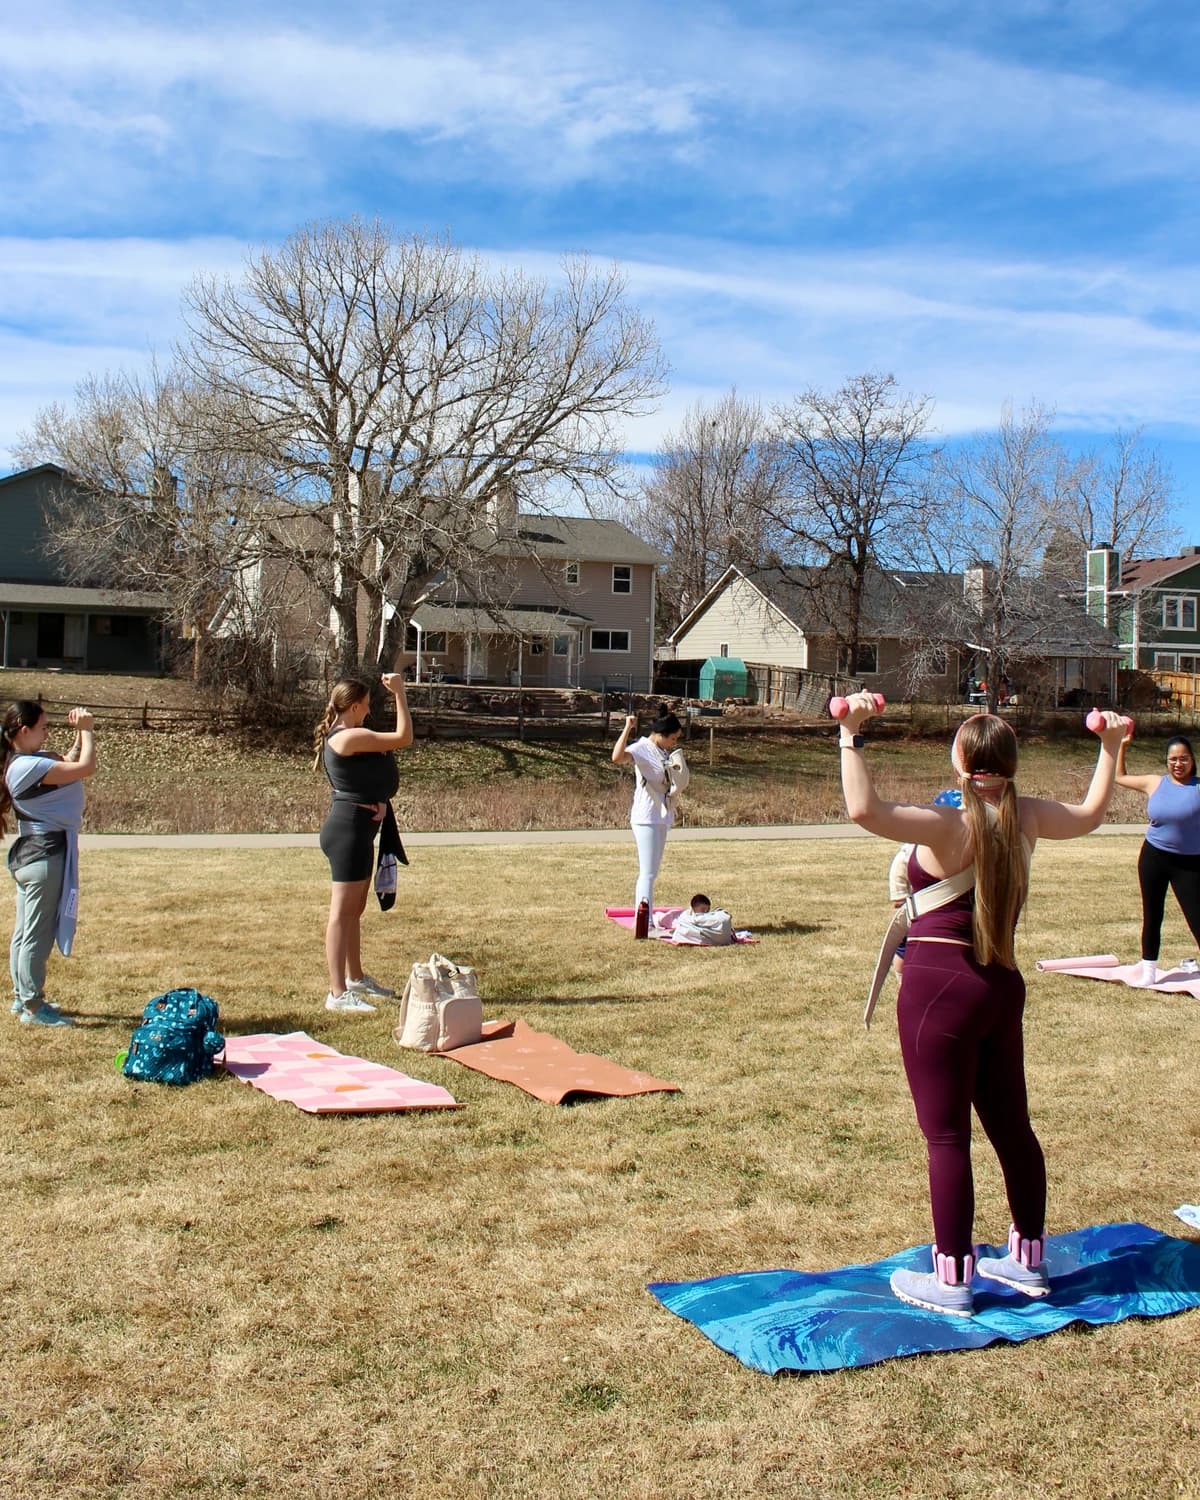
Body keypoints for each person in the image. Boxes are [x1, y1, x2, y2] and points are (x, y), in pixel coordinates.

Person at [838, 695, 1127, 1316]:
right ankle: (1028, 1260)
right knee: (1012, 1128)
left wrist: (849, 735)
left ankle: (952, 1279)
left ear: (961, 762)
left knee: (947, 1138)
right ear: (1010, 763)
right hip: (1001, 987)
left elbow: (863, 809)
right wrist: (1109, 747)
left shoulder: (948, 823)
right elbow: (1091, 814)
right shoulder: (1028, 817)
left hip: (939, 987)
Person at [313, 675, 413, 1013]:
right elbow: (404, 737)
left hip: (358, 828)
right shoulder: (348, 736)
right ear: (354, 706)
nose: (369, 711)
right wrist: (399, 693)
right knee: (341, 913)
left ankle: (355, 977)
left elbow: (358, 779)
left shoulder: (348, 736)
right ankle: (337, 993)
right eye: (367, 705)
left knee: (354, 910)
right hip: (348, 832)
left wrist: (377, 799)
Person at [1, 699, 97, 1027]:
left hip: (36, 855)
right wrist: (88, 730)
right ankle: (32, 1005)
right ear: (23, 730)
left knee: (25, 931)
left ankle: (22, 997)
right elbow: (85, 767)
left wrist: (78, 735)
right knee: (36, 935)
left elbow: (68, 763)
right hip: (43, 858)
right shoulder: (24, 767)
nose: (46, 734)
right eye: (42, 728)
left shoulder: (26, 762)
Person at [1116, 731, 1200, 986]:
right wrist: (1122, 745)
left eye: (1183, 758)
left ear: (1192, 760)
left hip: (1189, 863)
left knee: (1197, 917)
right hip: (1154, 857)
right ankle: (1149, 972)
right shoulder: (1155, 783)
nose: (1178, 763)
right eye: (1173, 759)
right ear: (1166, 761)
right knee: (1152, 915)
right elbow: (1119, 776)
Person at [611, 706, 686, 934]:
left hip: (661, 815)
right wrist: (627, 728)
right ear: (662, 734)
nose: (673, 743)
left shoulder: (662, 752)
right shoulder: (642, 748)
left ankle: (647, 916)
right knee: (648, 872)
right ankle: (645, 921)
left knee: (652, 871)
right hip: (646, 817)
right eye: (672, 738)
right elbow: (617, 757)